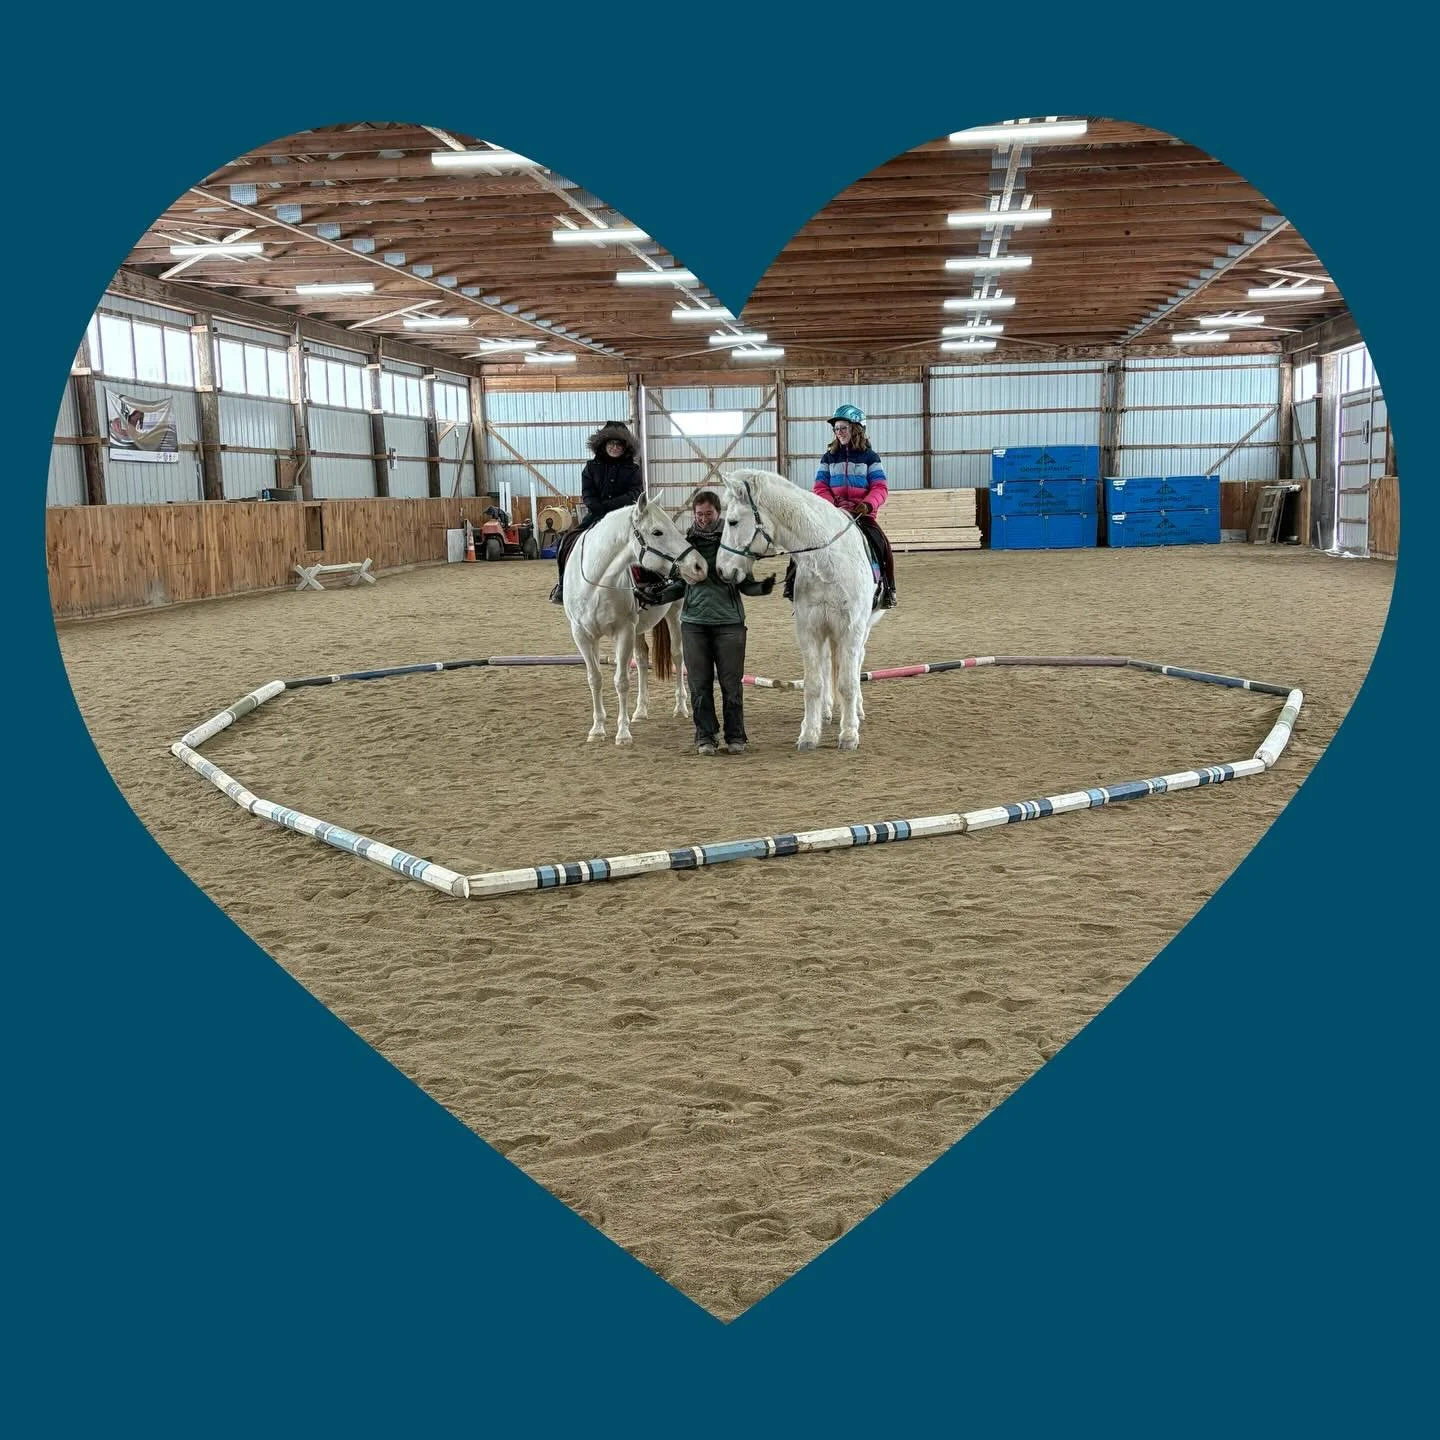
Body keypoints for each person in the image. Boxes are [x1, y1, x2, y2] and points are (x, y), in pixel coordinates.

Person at [637, 488, 775, 755]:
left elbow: (744, 583)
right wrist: (657, 596)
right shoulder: (686, 544)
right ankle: (705, 737)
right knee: (699, 685)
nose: (703, 519)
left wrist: (761, 588)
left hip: (729, 624)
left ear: (718, 513)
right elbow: (679, 585)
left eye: (708, 514)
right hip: (694, 624)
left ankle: (736, 736)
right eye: (699, 514)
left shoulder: (731, 543)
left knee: (731, 684)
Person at [784, 403, 897, 608]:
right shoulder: (828, 457)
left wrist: (867, 505)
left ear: (856, 429)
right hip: (833, 513)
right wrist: (832, 507)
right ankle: (792, 583)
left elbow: (880, 487)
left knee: (882, 544)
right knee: (802, 542)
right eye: (836, 429)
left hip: (860, 514)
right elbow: (820, 487)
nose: (839, 433)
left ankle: (888, 588)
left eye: (843, 428)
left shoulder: (870, 458)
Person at [549, 420, 645, 604]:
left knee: (646, 544)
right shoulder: (591, 468)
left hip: (625, 517)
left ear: (626, 447)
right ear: (604, 445)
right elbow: (588, 493)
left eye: (619, 444)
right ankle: (562, 585)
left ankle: (649, 585)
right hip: (596, 515)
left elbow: (635, 493)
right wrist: (597, 507)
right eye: (612, 443)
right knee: (565, 543)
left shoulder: (633, 470)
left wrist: (609, 506)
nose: (615, 447)